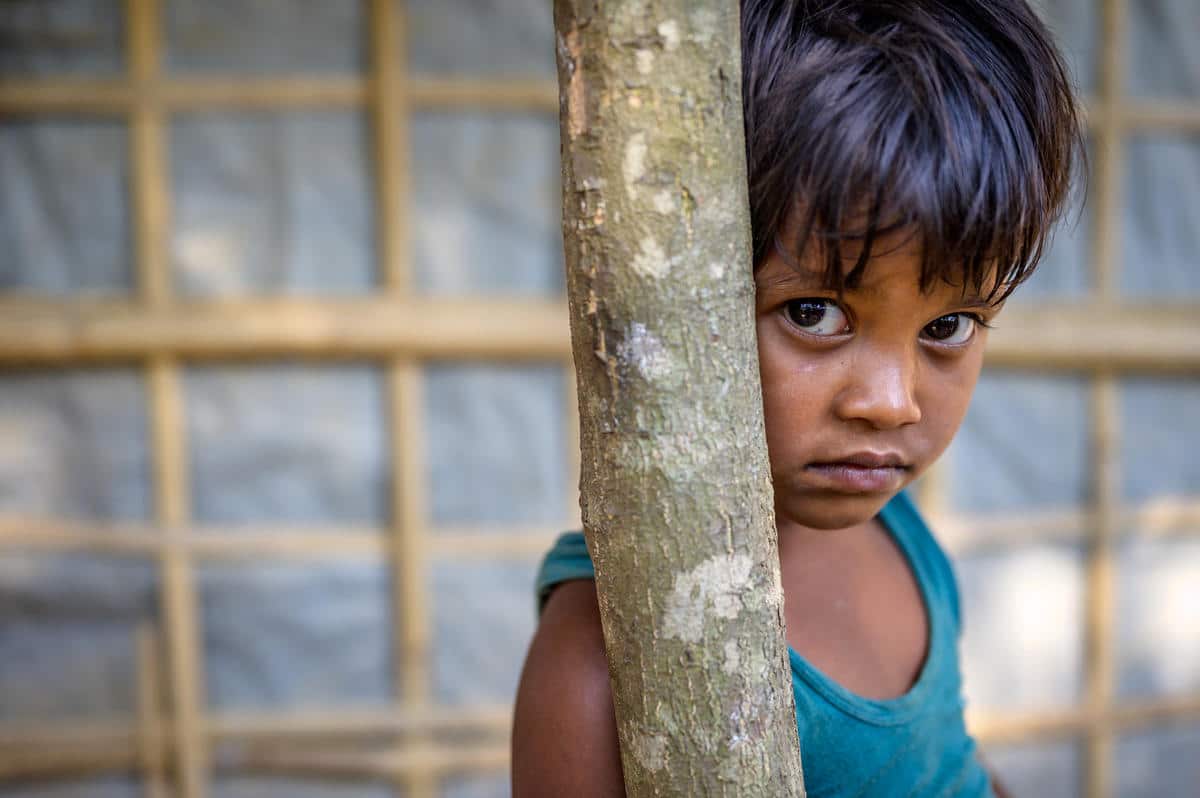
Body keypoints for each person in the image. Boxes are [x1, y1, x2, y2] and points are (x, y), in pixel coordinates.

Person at [512, 0, 1084, 795]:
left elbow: (950, 766)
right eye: (814, 313)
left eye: (948, 325)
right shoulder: (603, 656)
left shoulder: (904, 539)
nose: (890, 403)